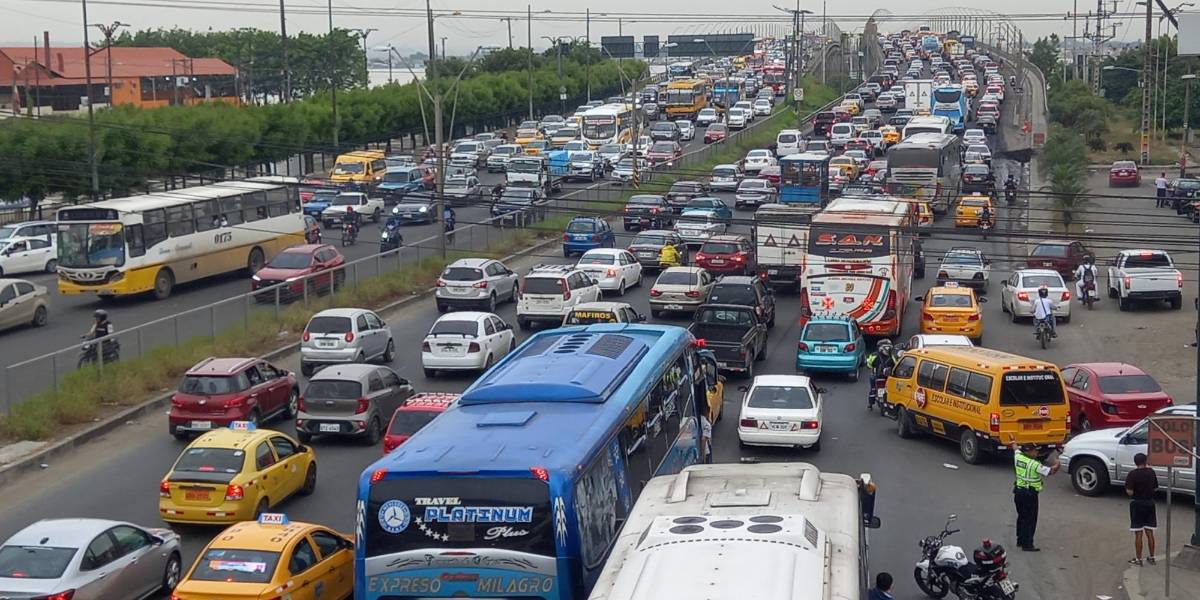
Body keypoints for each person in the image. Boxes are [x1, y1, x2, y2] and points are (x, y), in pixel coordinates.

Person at [1012, 442, 1059, 551]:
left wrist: (1013, 442)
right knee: (1030, 519)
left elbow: (1015, 448)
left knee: (1021, 517)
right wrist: (1058, 463)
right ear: (1028, 452)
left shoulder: (1018, 457)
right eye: (1034, 450)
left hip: (1018, 492)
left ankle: (1020, 540)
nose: (1037, 452)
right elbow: (1051, 471)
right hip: (1030, 495)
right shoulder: (1035, 464)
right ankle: (1027, 545)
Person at [1126, 452, 1159, 566]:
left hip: (1137, 504)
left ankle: (1139, 559)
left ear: (1135, 463)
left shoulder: (1132, 474)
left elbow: (1129, 491)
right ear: (1145, 461)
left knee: (1138, 533)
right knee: (1150, 532)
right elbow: (1155, 488)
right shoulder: (1151, 472)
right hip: (1150, 503)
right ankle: (1151, 556)